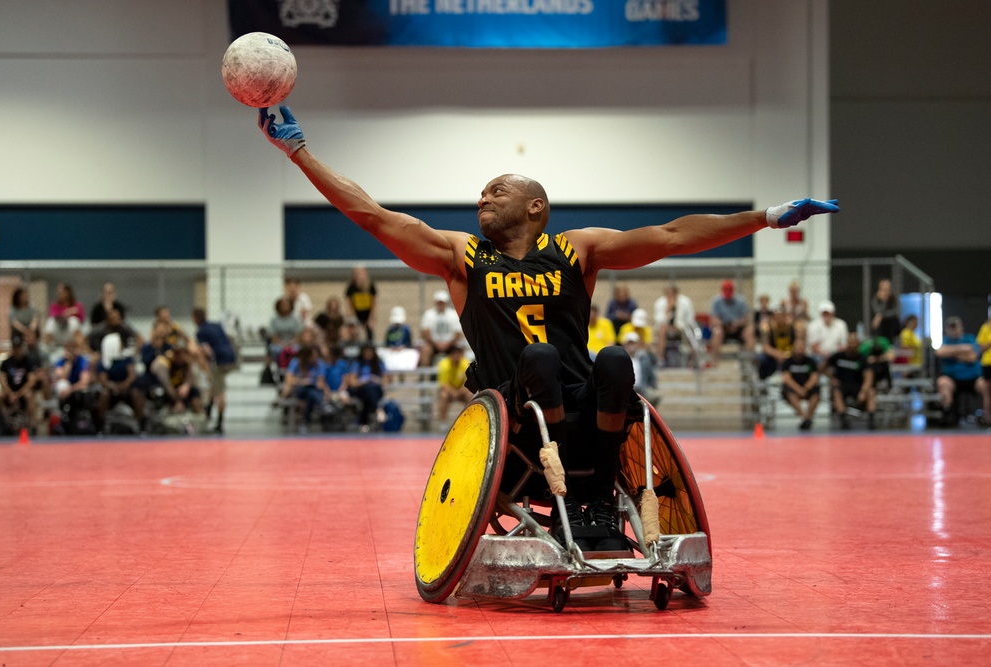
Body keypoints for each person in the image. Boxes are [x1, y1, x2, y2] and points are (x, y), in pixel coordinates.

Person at [256, 104, 837, 548]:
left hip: (583, 407)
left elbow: (671, 236)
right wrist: (299, 152)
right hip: (514, 415)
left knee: (613, 360)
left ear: (536, 207)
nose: (482, 198)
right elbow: (371, 216)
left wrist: (765, 219)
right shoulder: (461, 256)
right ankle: (567, 491)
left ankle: (598, 503)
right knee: (539, 358)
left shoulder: (574, 249)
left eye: (497, 191)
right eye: (481, 193)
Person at [193, 307, 239, 434]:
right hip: (231, 358)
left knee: (220, 392)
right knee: (215, 385)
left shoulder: (200, 332)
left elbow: (207, 350)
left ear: (195, 319)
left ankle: (219, 422)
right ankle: (208, 409)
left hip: (219, 361)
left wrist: (207, 364)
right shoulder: (216, 325)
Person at [934, 316, 985, 427]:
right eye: (951, 327)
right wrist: (964, 350)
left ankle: (987, 416)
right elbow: (940, 352)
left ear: (961, 327)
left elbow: (973, 356)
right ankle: (948, 416)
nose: (953, 330)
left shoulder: (970, 338)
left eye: (955, 327)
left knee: (986, 385)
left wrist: (952, 353)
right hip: (953, 378)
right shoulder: (946, 340)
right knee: (943, 383)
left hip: (972, 377)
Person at [96, 332, 145, 433]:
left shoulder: (126, 358)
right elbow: (103, 380)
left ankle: (141, 425)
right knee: (104, 394)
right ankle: (100, 425)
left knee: (136, 394)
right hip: (111, 390)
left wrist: (124, 385)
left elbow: (131, 375)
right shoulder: (103, 361)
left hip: (126, 389)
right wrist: (113, 386)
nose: (121, 345)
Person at [826, 332, 876, 430]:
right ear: (847, 343)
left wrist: (863, 391)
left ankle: (871, 420)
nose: (852, 345)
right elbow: (822, 367)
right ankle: (843, 419)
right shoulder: (838, 356)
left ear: (858, 344)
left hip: (857, 385)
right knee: (836, 392)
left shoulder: (862, 358)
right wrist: (832, 378)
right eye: (850, 342)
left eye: (854, 342)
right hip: (842, 385)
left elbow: (868, 377)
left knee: (871, 392)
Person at [0, 339, 40, 436]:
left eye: (18, 348)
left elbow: (31, 381)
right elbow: (1, 379)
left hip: (22, 392)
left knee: (30, 396)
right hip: (9, 391)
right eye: (15, 348)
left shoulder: (28, 361)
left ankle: (33, 426)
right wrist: (10, 393)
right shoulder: (6, 362)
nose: (17, 350)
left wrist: (18, 394)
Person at [280, 342, 327, 434]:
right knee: (310, 392)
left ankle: (305, 422)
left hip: (313, 390)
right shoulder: (296, 362)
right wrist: (302, 381)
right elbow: (289, 380)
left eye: (316, 355)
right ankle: (322, 406)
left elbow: (321, 382)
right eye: (313, 356)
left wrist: (312, 382)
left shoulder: (320, 364)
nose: (315, 358)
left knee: (311, 394)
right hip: (299, 390)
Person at [708, 279, 755, 365]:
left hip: (738, 328)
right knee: (716, 332)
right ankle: (714, 361)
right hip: (723, 328)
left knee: (749, 331)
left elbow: (745, 318)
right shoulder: (717, 301)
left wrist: (737, 323)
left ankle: (751, 362)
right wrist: (723, 324)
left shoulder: (741, 301)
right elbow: (714, 318)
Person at [780, 338, 820, 431]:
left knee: (816, 393)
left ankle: (808, 416)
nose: (800, 349)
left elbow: (814, 377)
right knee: (790, 393)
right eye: (798, 347)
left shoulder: (810, 361)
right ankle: (804, 417)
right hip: (794, 387)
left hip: (807, 386)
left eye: (802, 347)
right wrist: (798, 389)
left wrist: (805, 388)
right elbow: (787, 378)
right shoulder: (788, 362)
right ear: (793, 348)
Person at [652, 284, 697, 367]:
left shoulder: (686, 302)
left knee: (691, 332)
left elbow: (690, 319)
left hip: (681, 328)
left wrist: (679, 325)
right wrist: (668, 310)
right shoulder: (660, 303)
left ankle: (693, 360)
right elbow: (658, 321)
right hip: (665, 329)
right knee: (662, 329)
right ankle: (660, 359)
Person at [419, 290, 464, 367]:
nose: (441, 305)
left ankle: (458, 375)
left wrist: (448, 344)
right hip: (433, 344)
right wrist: (436, 344)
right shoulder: (429, 314)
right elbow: (425, 333)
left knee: (458, 351)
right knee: (425, 350)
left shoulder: (453, 315)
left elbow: (458, 333)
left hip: (450, 344)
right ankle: (425, 376)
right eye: (439, 302)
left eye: (442, 302)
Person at [348, 343, 387, 431]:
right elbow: (352, 383)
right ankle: (378, 410)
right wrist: (364, 381)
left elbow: (385, 381)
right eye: (366, 352)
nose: (368, 353)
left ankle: (363, 423)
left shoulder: (379, 363)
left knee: (369, 393)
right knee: (367, 389)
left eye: (370, 351)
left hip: (376, 390)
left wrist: (375, 379)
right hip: (361, 389)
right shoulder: (357, 364)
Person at [435, 345, 473, 429]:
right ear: (450, 355)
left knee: (470, 395)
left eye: (458, 354)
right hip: (449, 391)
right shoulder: (444, 365)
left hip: (462, 390)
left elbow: (469, 382)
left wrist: (459, 392)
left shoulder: (466, 364)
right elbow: (443, 384)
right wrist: (453, 392)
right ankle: (443, 422)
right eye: (454, 354)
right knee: (443, 395)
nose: (456, 357)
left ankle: (470, 420)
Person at [806, 300, 849, 370]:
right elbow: (814, 347)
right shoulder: (813, 325)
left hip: (835, 355)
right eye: (824, 314)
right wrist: (825, 354)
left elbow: (843, 345)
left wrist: (832, 354)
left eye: (828, 313)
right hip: (819, 356)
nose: (826, 316)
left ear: (833, 313)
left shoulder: (841, 324)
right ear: (820, 314)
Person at [620, 331, 658, 405]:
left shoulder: (643, 357)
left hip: (642, 389)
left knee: (654, 397)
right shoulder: (621, 358)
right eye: (629, 343)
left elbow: (650, 373)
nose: (631, 346)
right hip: (625, 390)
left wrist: (652, 385)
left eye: (633, 343)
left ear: (637, 344)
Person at [757, 306, 795, 380]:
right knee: (763, 359)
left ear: (785, 316)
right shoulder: (768, 328)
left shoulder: (791, 328)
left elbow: (797, 344)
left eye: (781, 316)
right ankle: (763, 381)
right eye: (776, 317)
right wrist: (777, 354)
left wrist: (787, 354)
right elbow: (765, 347)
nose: (779, 319)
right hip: (773, 355)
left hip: (789, 354)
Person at [346, 265, 377, 341]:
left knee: (369, 331)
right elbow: (349, 303)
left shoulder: (370, 286)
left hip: (367, 313)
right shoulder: (351, 287)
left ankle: (370, 346)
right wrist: (353, 317)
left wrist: (371, 318)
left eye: (361, 273)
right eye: (357, 273)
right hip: (356, 313)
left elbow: (374, 302)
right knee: (355, 331)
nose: (359, 276)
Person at [870, 279, 901, 343]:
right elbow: (876, 311)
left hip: (892, 324)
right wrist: (883, 301)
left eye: (888, 288)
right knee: (877, 320)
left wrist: (881, 315)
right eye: (883, 289)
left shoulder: (894, 299)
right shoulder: (876, 299)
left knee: (879, 317)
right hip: (881, 325)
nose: (886, 291)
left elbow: (894, 312)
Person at [977, 309, 991, 427]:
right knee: (988, 392)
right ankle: (988, 419)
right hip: (988, 363)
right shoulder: (986, 327)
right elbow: (981, 347)